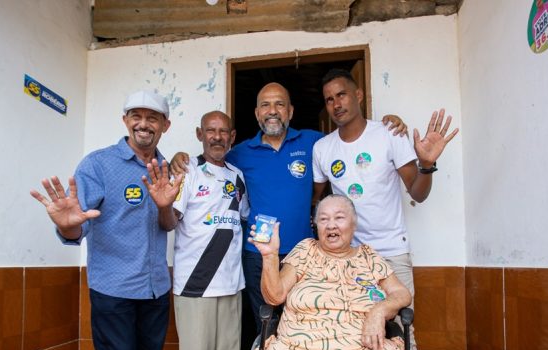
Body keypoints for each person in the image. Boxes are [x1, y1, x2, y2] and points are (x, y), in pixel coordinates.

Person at [30, 90, 182, 350]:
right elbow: (77, 224)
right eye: (137, 116)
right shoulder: (98, 164)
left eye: (153, 118)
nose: (144, 124)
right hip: (113, 288)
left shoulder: (164, 167)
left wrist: (166, 206)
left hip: (154, 288)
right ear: (125, 120)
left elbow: (165, 225)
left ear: (165, 126)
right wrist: (66, 225)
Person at [171, 82, 407, 335]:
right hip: (258, 256)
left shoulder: (314, 142)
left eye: (279, 104)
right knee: (265, 327)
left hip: (305, 256)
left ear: (291, 111)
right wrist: (181, 158)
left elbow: (349, 140)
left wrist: (386, 125)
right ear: (257, 113)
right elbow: (210, 159)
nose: (272, 110)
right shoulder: (238, 153)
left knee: (306, 325)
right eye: (265, 105)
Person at [312, 68, 457, 350]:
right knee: (351, 341)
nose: (336, 103)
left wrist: (426, 164)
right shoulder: (323, 149)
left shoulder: (389, 135)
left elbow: (419, 194)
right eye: (329, 99)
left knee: (402, 340)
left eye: (341, 94)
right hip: (349, 261)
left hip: (391, 255)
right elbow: (319, 204)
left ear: (358, 95)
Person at [249, 194, 412, 350]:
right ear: (315, 226)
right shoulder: (305, 250)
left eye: (339, 217)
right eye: (324, 219)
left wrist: (379, 311)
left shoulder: (368, 257)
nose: (331, 225)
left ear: (354, 223)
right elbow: (274, 296)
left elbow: (401, 294)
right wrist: (269, 256)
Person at [146, 111, 249, 350]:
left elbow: (241, 220)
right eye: (210, 131)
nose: (217, 137)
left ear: (232, 136)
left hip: (232, 283)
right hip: (195, 283)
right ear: (199, 134)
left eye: (223, 132)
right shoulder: (185, 171)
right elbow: (170, 220)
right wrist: (163, 206)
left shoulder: (238, 176)